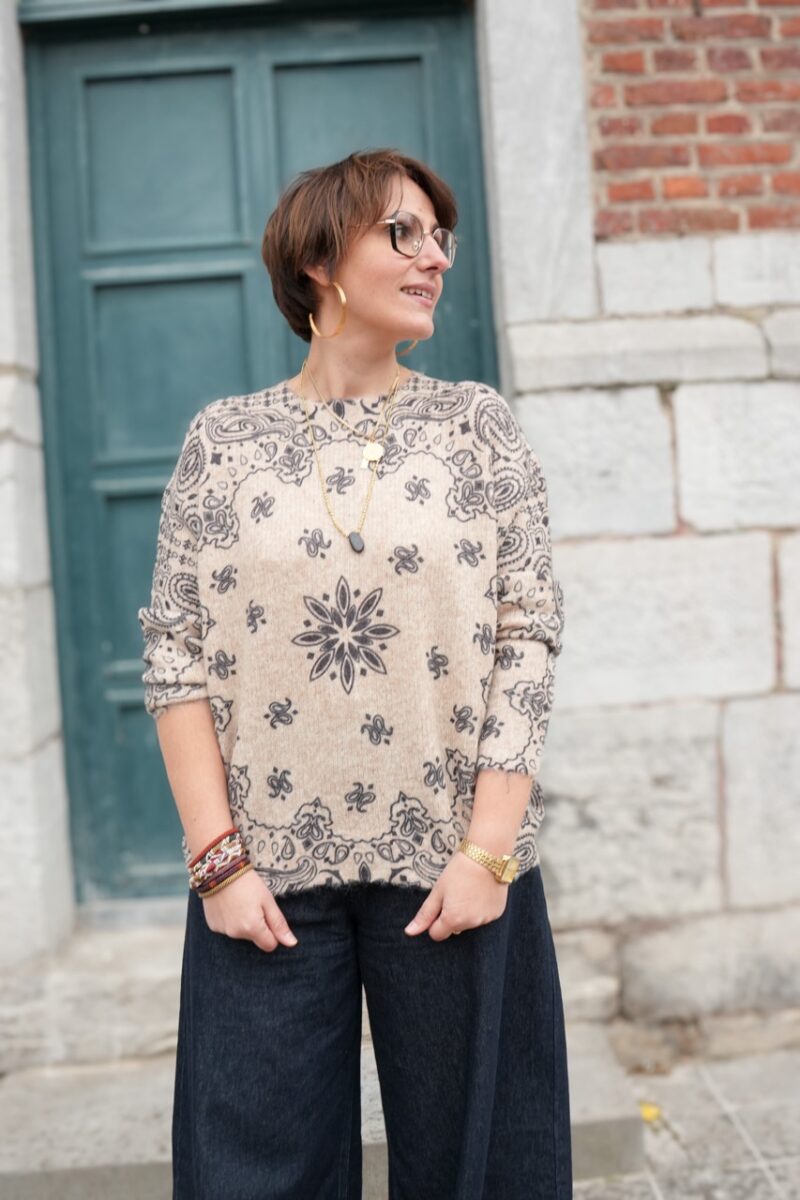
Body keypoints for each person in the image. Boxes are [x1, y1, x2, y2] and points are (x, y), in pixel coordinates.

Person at [137, 147, 571, 1200]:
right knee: (251, 1177)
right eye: (401, 233)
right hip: (266, 880)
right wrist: (218, 864)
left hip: (453, 869)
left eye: (439, 237)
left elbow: (528, 635)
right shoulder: (222, 444)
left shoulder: (477, 428)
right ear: (321, 261)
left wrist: (488, 852)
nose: (435, 258)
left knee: (482, 1172)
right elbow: (174, 650)